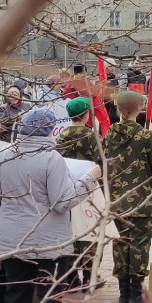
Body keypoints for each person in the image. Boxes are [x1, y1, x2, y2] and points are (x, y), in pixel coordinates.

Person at [0, 108, 96, 303]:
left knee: (15, 299)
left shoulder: (3, 156)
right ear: (49, 131)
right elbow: (62, 202)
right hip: (50, 243)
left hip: (13, 241)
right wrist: (89, 180)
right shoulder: (51, 158)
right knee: (49, 299)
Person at [104, 91, 152, 303]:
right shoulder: (144, 135)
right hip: (142, 201)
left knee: (120, 243)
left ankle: (123, 291)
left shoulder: (109, 134)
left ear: (118, 109)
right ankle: (135, 292)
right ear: (138, 109)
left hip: (116, 201)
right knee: (139, 244)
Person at [55, 98, 105, 290]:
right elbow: (101, 162)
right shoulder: (91, 136)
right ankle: (90, 276)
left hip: (67, 189)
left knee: (71, 232)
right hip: (90, 190)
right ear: (86, 115)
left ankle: (71, 276)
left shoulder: (61, 136)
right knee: (90, 232)